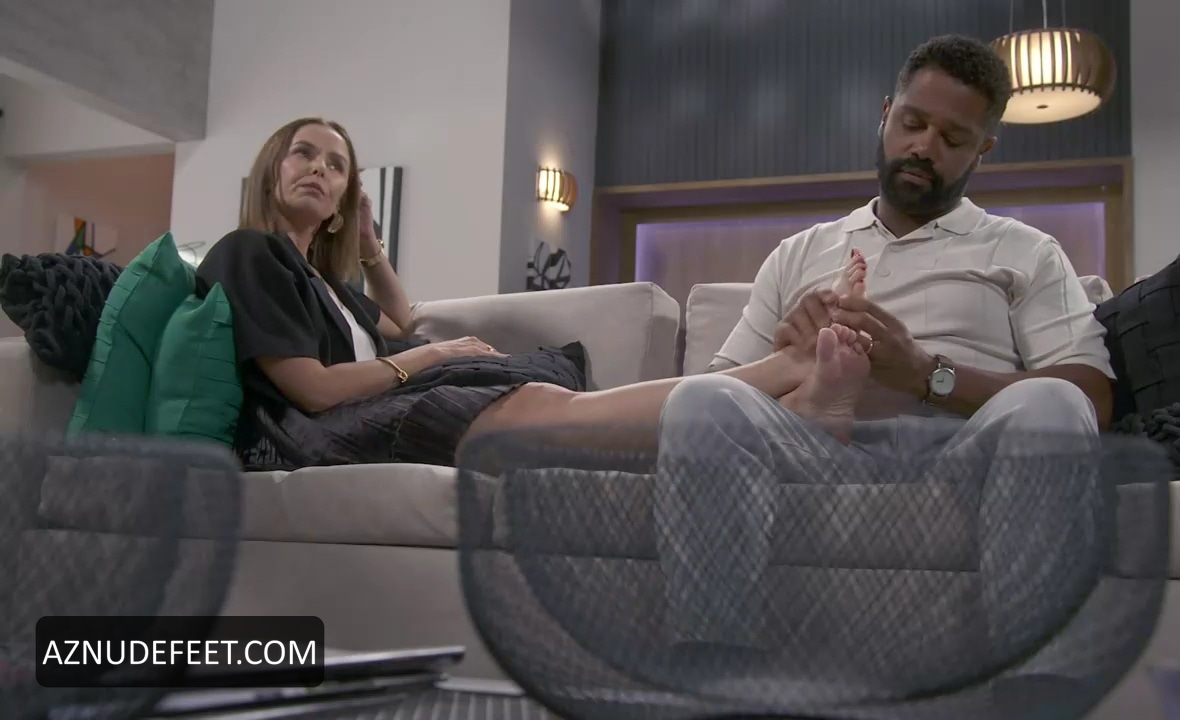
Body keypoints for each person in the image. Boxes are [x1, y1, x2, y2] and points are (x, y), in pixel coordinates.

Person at [651, 34, 1117, 655]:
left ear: (983, 149)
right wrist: (792, 363)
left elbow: (1091, 396)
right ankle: (714, 665)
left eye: (953, 138)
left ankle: (1032, 684)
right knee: (700, 402)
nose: (924, 147)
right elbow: (723, 393)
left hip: (962, 456)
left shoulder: (1025, 250)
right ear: (886, 113)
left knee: (1054, 404)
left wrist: (926, 373)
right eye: (913, 123)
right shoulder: (799, 253)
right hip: (816, 453)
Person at [195, 117, 839, 471]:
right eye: (303, 154)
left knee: (546, 397)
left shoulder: (327, 286)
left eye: (336, 165)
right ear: (271, 170)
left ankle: (765, 402)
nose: (319, 167)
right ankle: (770, 380)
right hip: (314, 433)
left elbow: (397, 317)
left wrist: (368, 245)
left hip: (361, 406)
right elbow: (312, 389)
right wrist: (430, 357)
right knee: (543, 411)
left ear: (344, 197)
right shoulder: (251, 251)